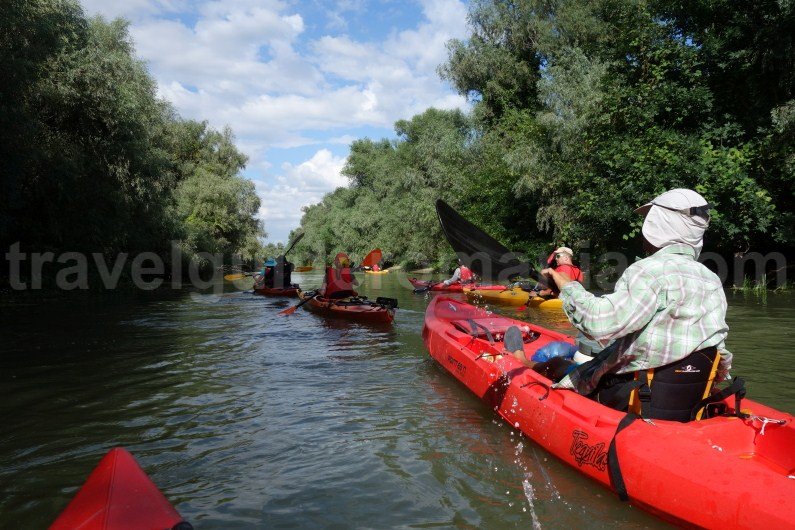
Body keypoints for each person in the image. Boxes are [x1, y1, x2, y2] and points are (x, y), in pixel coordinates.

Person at [530, 189, 732, 421]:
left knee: (557, 364)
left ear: (660, 224)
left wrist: (567, 287)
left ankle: (524, 363)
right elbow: (719, 352)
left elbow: (598, 325)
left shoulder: (648, 271)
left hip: (635, 400)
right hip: (686, 401)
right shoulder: (711, 279)